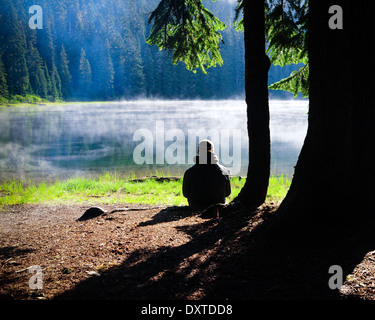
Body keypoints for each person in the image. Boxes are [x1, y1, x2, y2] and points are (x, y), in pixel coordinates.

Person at [182, 139, 231, 207]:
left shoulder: (189, 172)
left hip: (196, 206)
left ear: (198, 151)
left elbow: (186, 194)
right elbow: (228, 193)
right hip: (218, 206)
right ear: (212, 151)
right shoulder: (225, 171)